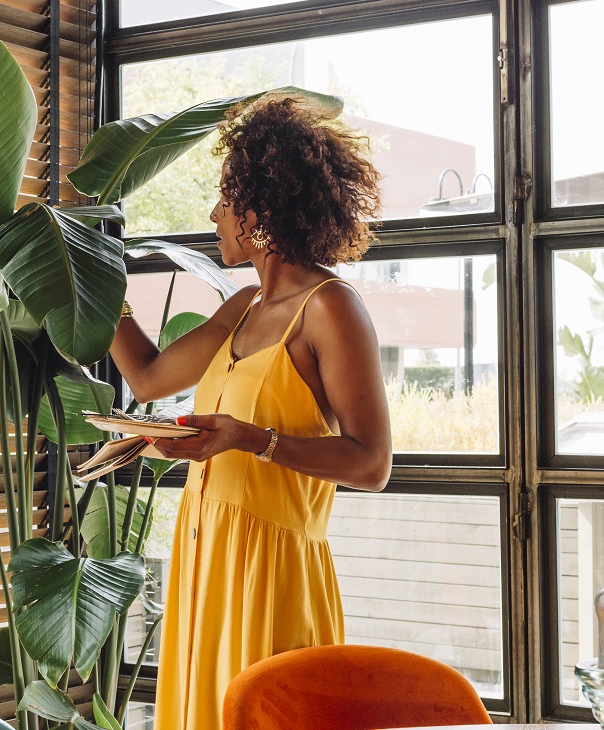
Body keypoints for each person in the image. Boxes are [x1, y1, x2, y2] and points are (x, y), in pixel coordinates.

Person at [108, 95, 393, 730]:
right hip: (205, 557)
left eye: (225, 199)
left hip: (273, 573)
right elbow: (148, 378)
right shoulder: (242, 307)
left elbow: (372, 463)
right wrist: (98, 282)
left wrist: (251, 440)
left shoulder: (331, 308)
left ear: (261, 209)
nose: (214, 215)